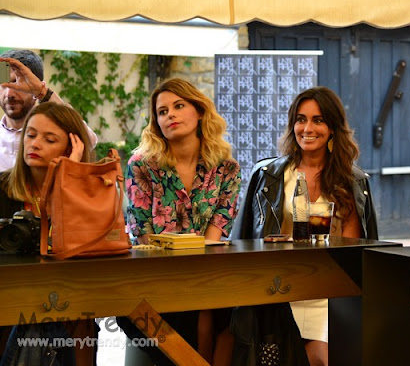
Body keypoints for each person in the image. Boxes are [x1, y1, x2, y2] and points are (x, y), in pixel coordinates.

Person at [231, 86, 378, 366]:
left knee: (320, 358)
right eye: (301, 119)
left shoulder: (352, 181)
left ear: (333, 128)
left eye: (318, 120)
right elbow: (243, 239)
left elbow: (352, 251)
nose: (307, 128)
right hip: (277, 289)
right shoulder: (267, 175)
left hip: (326, 291)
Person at [122, 78, 241, 365]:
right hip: (154, 279)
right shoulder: (141, 165)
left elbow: (214, 239)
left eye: (178, 106)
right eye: (162, 112)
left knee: (237, 312)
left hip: (206, 274)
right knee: (195, 314)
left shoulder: (227, 168)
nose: (170, 115)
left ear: (198, 111)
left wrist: (198, 283)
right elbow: (144, 239)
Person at [0, 102, 95, 365]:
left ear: (71, 147)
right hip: (11, 298)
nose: (35, 144)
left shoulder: (88, 192)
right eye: (30, 135)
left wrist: (70, 179)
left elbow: (87, 249)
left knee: (74, 313)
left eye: (49, 139)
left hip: (70, 298)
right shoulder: (2, 188)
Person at [0, 50, 98, 172]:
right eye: (3, 85)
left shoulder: (55, 128)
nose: (9, 94)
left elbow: (89, 140)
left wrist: (43, 93)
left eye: (17, 83)